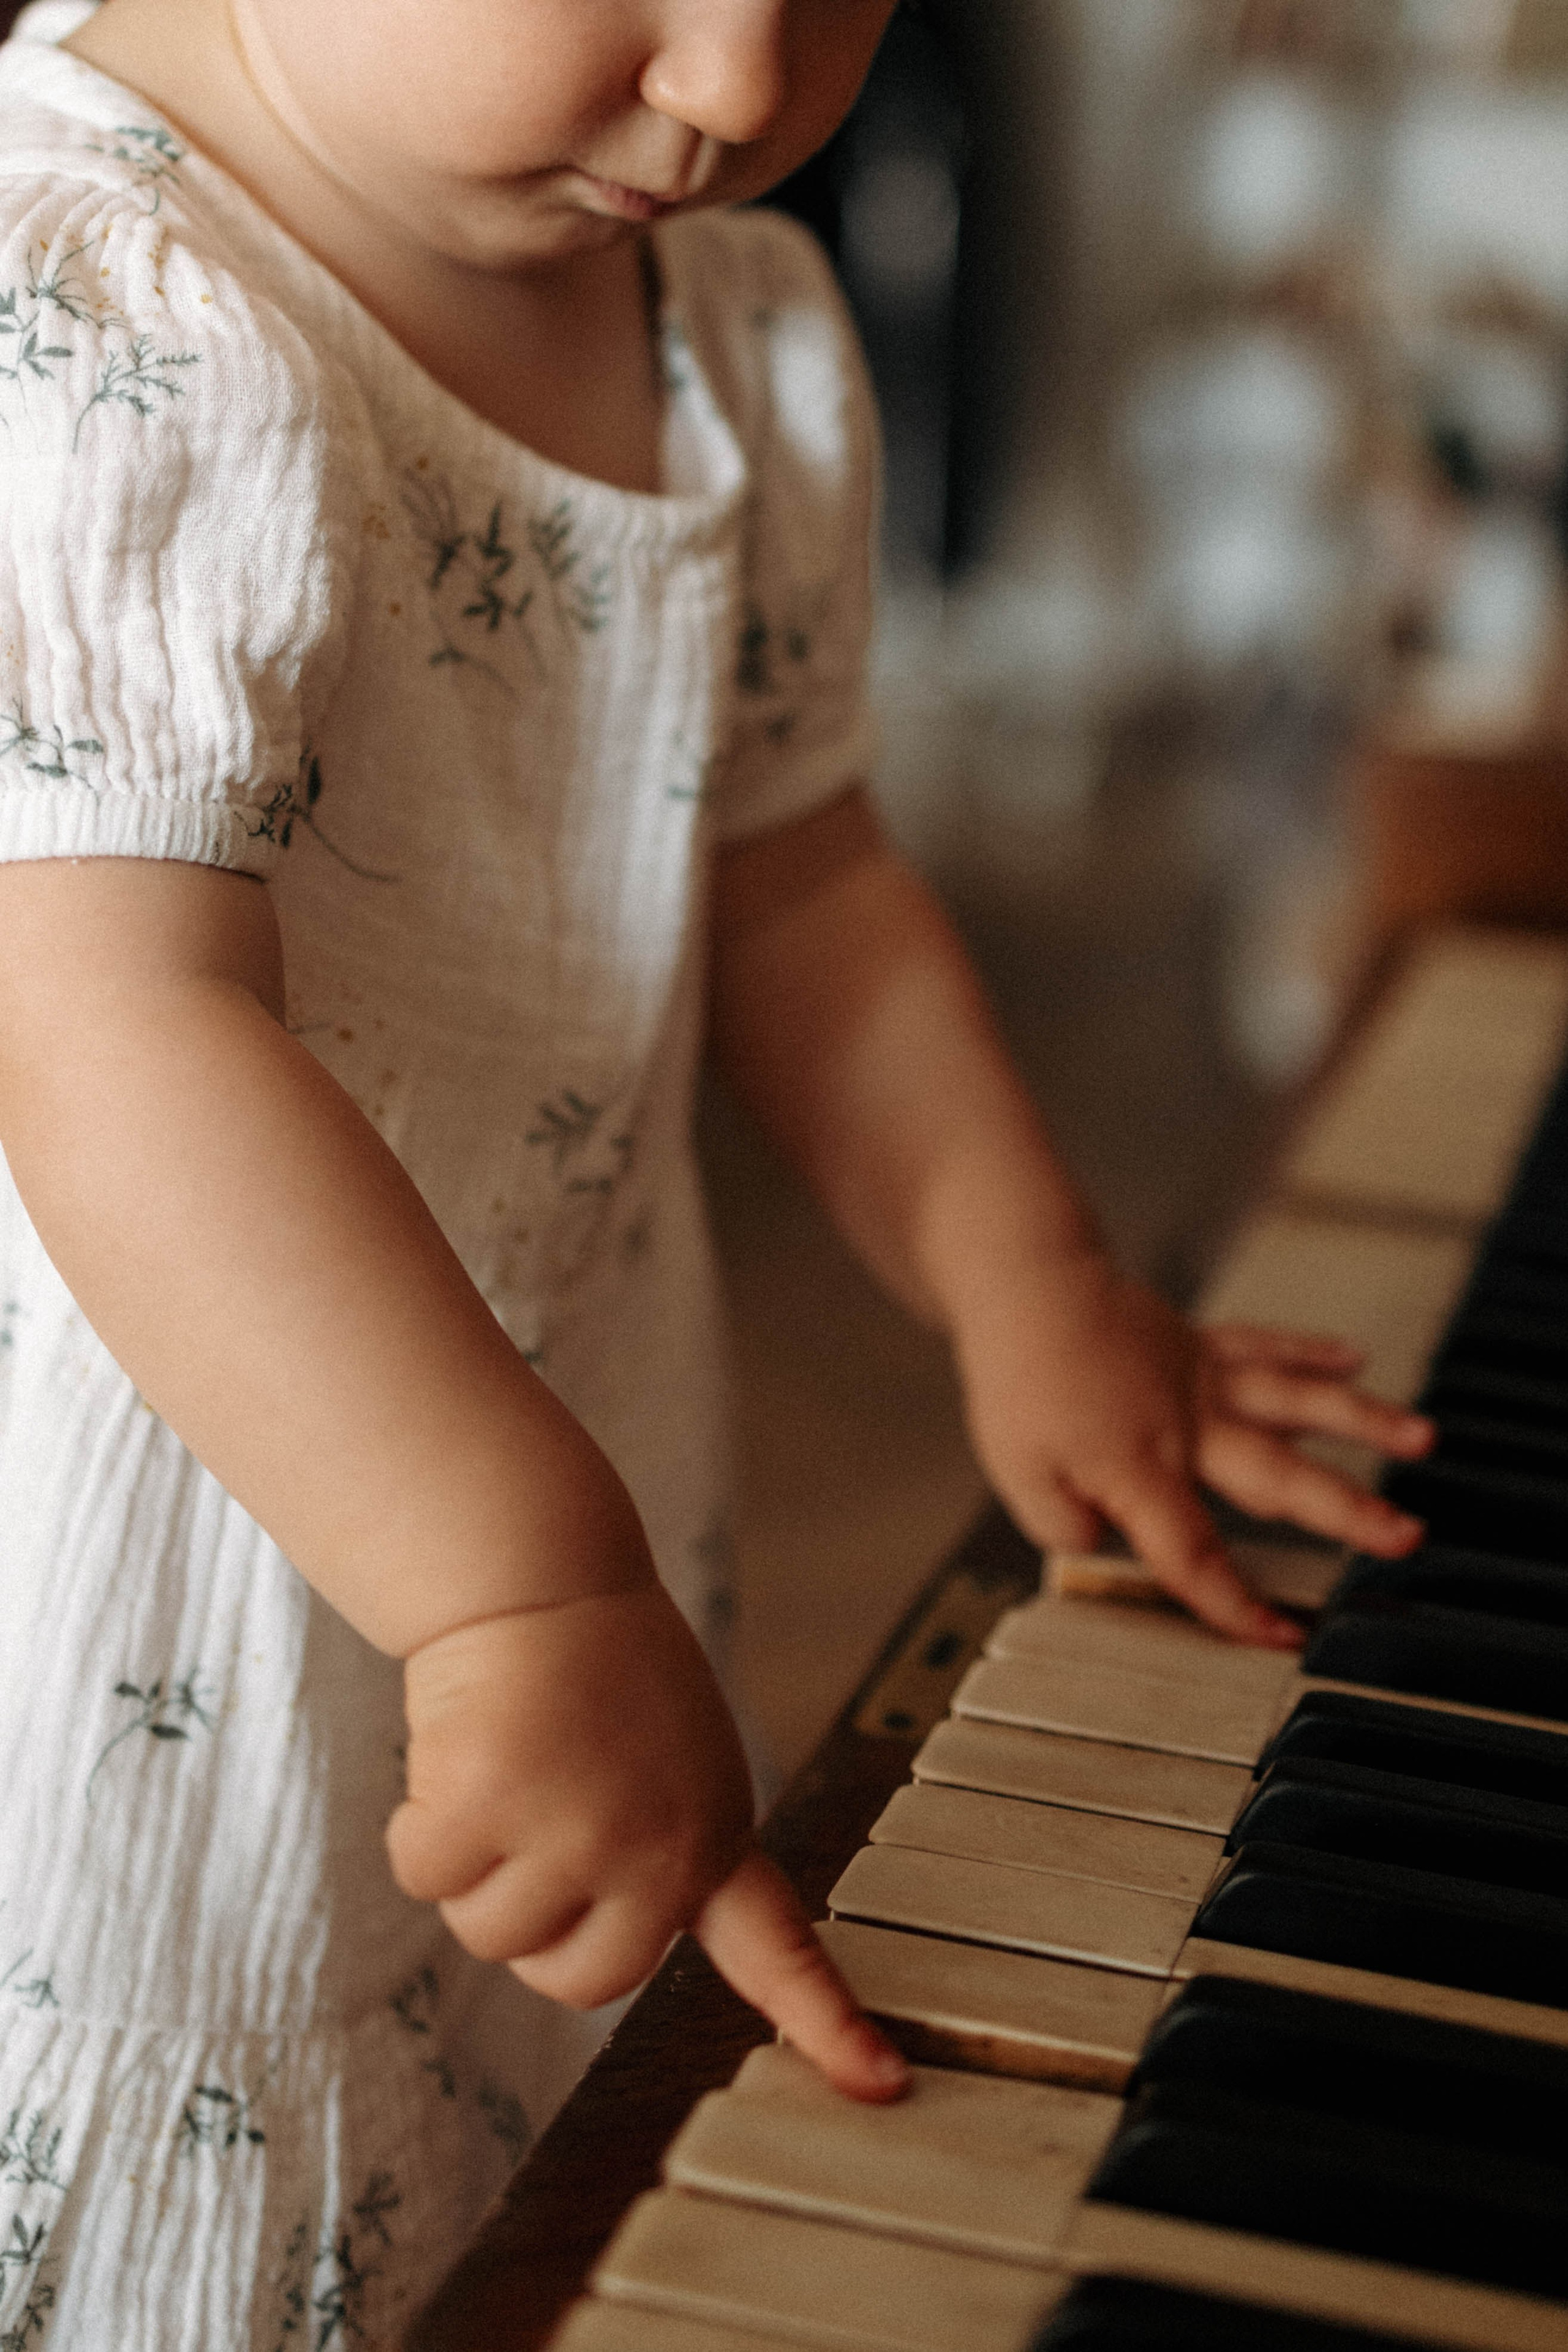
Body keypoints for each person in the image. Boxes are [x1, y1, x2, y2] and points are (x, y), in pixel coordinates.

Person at [0, 1, 1433, 2341]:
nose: (748, 89)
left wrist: (1024, 1270)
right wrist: (517, 1595)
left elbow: (797, 879)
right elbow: (111, 1031)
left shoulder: (737, 320)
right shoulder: (95, 309)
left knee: (503, 2161)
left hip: (549, 1482)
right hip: (173, 1617)